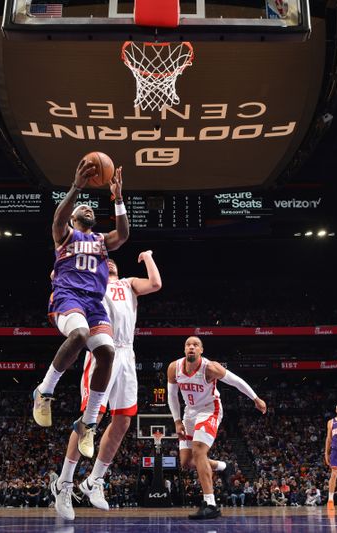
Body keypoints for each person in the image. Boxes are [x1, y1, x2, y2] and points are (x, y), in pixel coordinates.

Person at [52, 252, 162, 520]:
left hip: (128, 354)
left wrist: (147, 257)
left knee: (124, 421)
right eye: (104, 261)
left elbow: (156, 284)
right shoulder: (89, 281)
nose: (110, 261)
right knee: (92, 419)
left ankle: (93, 481)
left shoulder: (128, 282)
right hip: (102, 348)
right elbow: (57, 277)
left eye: (112, 260)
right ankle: (64, 484)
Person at [33, 158, 129, 460]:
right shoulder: (65, 235)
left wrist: (119, 198)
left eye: (90, 208)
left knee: (107, 352)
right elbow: (57, 219)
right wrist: (77, 187)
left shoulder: (101, 241)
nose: (87, 209)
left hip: (94, 303)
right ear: (73, 217)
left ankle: (88, 423)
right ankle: (44, 391)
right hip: (67, 297)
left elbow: (123, 235)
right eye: (81, 208)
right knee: (79, 334)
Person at [167, 336, 267, 520]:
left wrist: (255, 398)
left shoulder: (210, 367)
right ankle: (223, 466)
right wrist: (177, 420)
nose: (191, 347)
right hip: (189, 413)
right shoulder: (174, 367)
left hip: (209, 410)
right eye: (188, 344)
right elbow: (172, 395)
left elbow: (236, 381)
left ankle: (211, 504)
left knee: (198, 451)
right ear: (184, 349)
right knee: (187, 462)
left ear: (201, 350)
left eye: (195, 345)